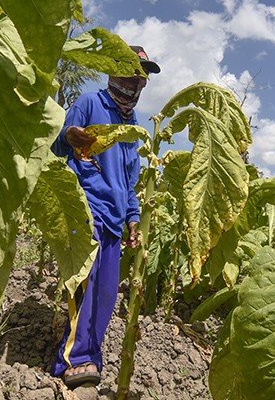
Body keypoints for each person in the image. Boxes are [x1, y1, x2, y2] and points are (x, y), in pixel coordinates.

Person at [50, 45, 161, 389]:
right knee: (87, 286)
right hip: (87, 211)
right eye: (131, 72)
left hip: (114, 220)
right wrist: (69, 136)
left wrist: (132, 217)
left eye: (142, 76)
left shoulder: (132, 125)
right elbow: (57, 148)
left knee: (107, 295)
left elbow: (129, 181)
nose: (137, 82)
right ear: (113, 71)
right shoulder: (88, 104)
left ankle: (90, 358)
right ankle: (74, 361)